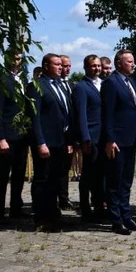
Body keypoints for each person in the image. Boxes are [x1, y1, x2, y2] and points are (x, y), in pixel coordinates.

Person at [28, 53, 72, 232]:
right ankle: (41, 217)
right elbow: (35, 117)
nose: (61, 67)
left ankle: (53, 213)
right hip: (46, 141)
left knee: (56, 179)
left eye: (62, 65)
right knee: (42, 179)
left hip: (61, 141)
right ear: (46, 66)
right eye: (57, 64)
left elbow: (67, 113)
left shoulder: (62, 85)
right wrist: (40, 142)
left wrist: (69, 140)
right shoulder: (36, 86)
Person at [100, 50, 136, 234]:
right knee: (115, 181)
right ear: (119, 63)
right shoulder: (111, 82)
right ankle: (116, 219)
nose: (133, 64)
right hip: (117, 140)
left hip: (130, 140)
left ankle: (126, 215)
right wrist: (110, 139)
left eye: (133, 61)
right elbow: (107, 113)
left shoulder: (131, 82)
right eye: (129, 61)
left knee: (126, 181)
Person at [0, 50, 31, 221]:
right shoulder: (1, 81)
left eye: (19, 59)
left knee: (19, 173)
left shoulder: (24, 80)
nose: (17, 61)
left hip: (22, 135)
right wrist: (0, 137)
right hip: (7, 135)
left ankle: (16, 206)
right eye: (14, 58)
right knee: (2, 174)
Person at [72, 54, 105, 222]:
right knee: (88, 175)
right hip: (91, 137)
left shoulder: (104, 84)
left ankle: (100, 205)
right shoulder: (82, 87)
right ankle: (85, 207)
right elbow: (81, 115)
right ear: (86, 67)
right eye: (93, 66)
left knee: (101, 175)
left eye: (99, 66)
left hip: (103, 137)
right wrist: (85, 138)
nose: (97, 69)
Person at [58, 54, 76, 209]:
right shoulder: (54, 84)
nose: (67, 68)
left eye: (69, 65)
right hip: (56, 134)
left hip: (69, 134)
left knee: (65, 168)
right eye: (64, 65)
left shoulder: (71, 84)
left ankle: (64, 197)